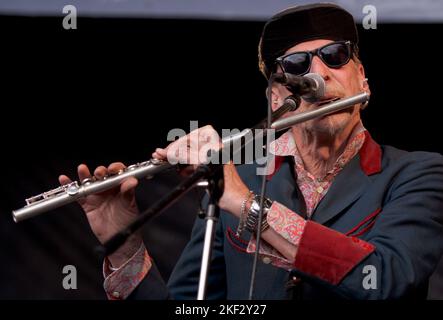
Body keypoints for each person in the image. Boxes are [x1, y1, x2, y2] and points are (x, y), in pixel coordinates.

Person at [60, 3, 443, 299]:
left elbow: (387, 278)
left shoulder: (418, 173)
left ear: (363, 79)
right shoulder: (238, 179)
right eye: (296, 64)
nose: (319, 74)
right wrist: (124, 243)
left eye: (336, 55)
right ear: (277, 97)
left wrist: (247, 204)